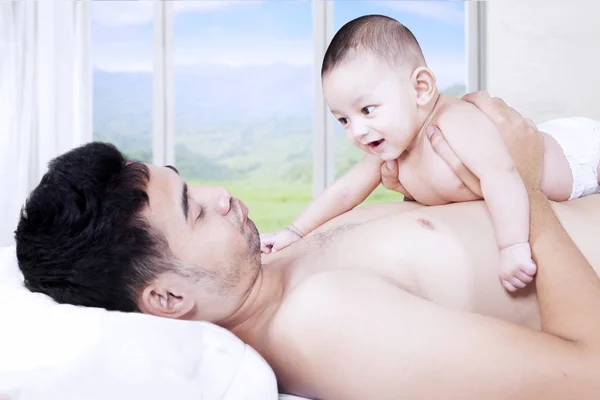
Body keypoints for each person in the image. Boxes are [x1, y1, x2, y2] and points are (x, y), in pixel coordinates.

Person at [14, 92, 600, 399]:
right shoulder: (325, 325)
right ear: (166, 300)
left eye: (191, 182)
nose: (220, 196)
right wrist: (521, 183)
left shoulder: (273, 264)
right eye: (193, 210)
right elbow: (587, 377)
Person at [261, 14, 600, 293]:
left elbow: (502, 175)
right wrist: (295, 231)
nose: (357, 131)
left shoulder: (453, 122)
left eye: (368, 109)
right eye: (343, 120)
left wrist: (512, 246)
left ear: (420, 88)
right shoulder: (390, 148)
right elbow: (345, 191)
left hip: (579, 156)